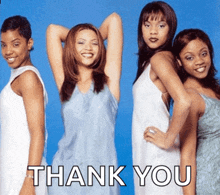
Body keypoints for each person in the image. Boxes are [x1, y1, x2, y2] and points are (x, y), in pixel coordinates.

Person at [46, 12, 122, 194]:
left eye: (94, 43)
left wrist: (92, 38)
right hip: (64, 176)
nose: (88, 47)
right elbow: (52, 31)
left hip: (101, 178)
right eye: (81, 42)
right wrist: (79, 40)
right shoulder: (65, 82)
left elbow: (114, 20)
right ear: (71, 46)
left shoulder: (109, 81)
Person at [132, 1, 191, 194]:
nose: (153, 31)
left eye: (161, 25)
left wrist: (167, 139)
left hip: (159, 155)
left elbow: (184, 101)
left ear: (170, 28)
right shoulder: (153, 61)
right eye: (147, 25)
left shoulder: (160, 59)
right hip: (147, 154)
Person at [0, 15, 48, 195]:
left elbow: (38, 133)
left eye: (15, 43)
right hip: (12, 172)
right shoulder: (17, 76)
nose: (8, 51)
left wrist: (30, 181)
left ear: (29, 43)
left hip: (24, 175)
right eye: (3, 45)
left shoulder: (28, 77)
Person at [171, 29, 220, 194]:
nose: (199, 61)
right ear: (179, 62)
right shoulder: (189, 97)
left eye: (203, 53)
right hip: (211, 183)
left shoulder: (214, 88)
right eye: (189, 57)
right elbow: (187, 156)